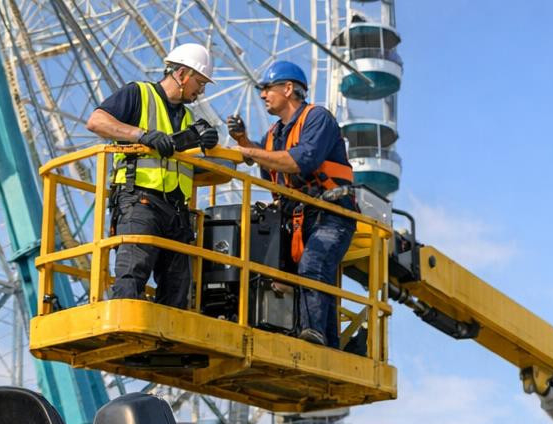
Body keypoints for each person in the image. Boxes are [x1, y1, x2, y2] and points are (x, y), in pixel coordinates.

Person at [226, 61, 356, 349]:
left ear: (288, 89)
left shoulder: (318, 118)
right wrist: (244, 140)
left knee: (313, 265)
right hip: (297, 217)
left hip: (331, 214)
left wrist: (248, 151)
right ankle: (323, 341)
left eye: (267, 88)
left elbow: (302, 160)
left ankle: (312, 336)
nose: (262, 95)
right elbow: (269, 170)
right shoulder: (274, 135)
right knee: (277, 269)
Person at [87, 43, 219, 308]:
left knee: (178, 289)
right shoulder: (138, 93)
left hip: (177, 212)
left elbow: (193, 165)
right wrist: (141, 135)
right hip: (139, 201)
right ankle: (124, 321)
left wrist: (208, 147)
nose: (201, 91)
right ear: (181, 74)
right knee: (132, 273)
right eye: (200, 82)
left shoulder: (189, 117)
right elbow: (96, 121)